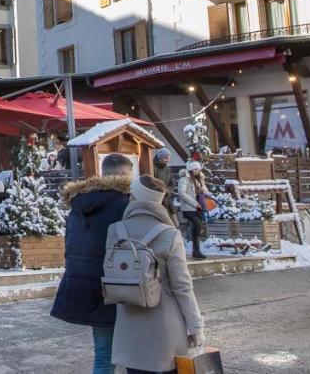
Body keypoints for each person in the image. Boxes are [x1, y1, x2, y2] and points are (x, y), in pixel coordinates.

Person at [110, 175, 205, 374]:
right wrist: (196, 327)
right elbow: (182, 286)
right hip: (166, 329)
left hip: (129, 326)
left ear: (133, 197)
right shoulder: (170, 235)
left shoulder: (115, 232)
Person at [50, 153, 134, 374]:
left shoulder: (79, 204)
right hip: (120, 286)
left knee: (104, 355)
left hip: (84, 284)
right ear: (127, 174)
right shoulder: (125, 203)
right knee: (139, 355)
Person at [177, 160, 208, 259]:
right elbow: (182, 193)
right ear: (191, 169)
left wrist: (203, 188)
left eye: (198, 169)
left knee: (197, 226)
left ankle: (196, 251)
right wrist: (195, 204)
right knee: (197, 225)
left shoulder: (198, 179)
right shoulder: (184, 179)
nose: (197, 171)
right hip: (188, 207)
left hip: (197, 207)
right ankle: (196, 250)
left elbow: (204, 191)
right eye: (195, 169)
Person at [152, 149, 177, 227]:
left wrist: (168, 190)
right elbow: (151, 183)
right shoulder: (152, 167)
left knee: (175, 224)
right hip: (158, 200)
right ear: (160, 158)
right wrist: (160, 190)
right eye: (166, 158)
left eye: (168, 158)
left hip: (167, 199)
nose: (168, 160)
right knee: (165, 223)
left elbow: (172, 184)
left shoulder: (167, 169)